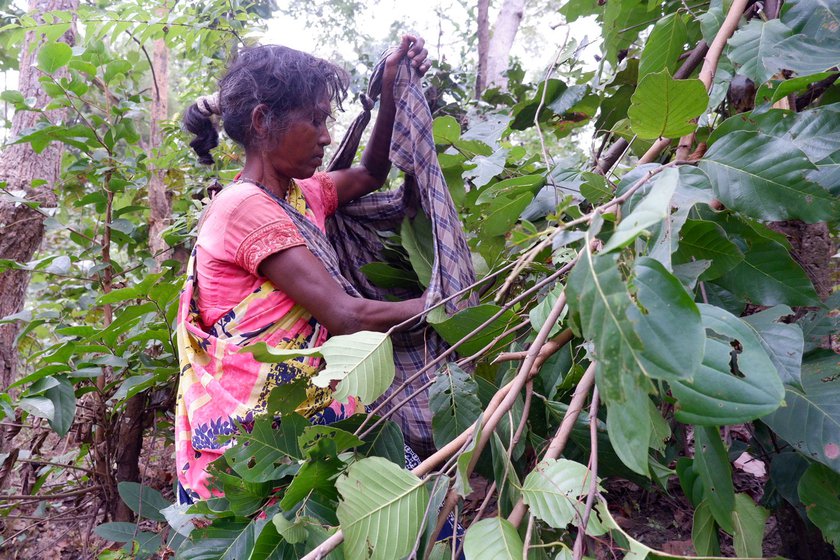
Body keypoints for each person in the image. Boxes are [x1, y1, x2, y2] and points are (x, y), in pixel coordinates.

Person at [176, 36, 431, 501]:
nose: (327, 136)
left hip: (309, 415)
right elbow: (346, 316)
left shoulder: (298, 194)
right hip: (257, 441)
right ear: (262, 122)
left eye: (326, 120)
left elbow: (370, 175)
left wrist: (390, 88)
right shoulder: (242, 209)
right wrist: (447, 302)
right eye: (314, 120)